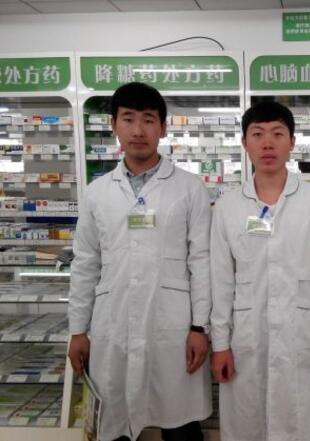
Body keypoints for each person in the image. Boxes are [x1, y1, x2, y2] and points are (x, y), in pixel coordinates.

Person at [68, 82, 212, 441]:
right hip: (113, 321)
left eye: (148, 120)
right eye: (128, 119)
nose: (138, 130)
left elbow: (201, 261)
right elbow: (86, 262)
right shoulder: (97, 193)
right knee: (113, 423)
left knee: (180, 426)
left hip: (173, 325)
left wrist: (200, 327)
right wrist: (77, 330)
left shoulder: (189, 188)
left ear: (163, 127)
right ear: (113, 125)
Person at [210, 101, 310, 441]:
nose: (267, 144)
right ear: (244, 143)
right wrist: (220, 343)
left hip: (302, 334)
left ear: (292, 142)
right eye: (257, 134)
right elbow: (221, 281)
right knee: (248, 424)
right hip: (245, 336)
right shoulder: (226, 206)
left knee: (299, 424)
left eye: (277, 134)